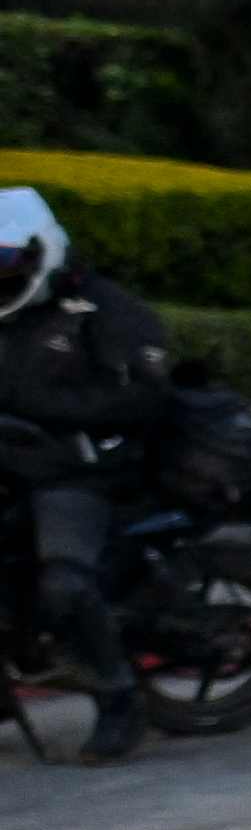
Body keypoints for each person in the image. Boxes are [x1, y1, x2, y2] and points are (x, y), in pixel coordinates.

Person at [0, 185, 181, 758]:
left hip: (80, 471)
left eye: (6, 262)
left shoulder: (104, 311)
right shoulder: (8, 316)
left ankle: (118, 700)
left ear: (41, 250)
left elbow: (149, 398)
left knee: (65, 583)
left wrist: (47, 413)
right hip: (12, 466)